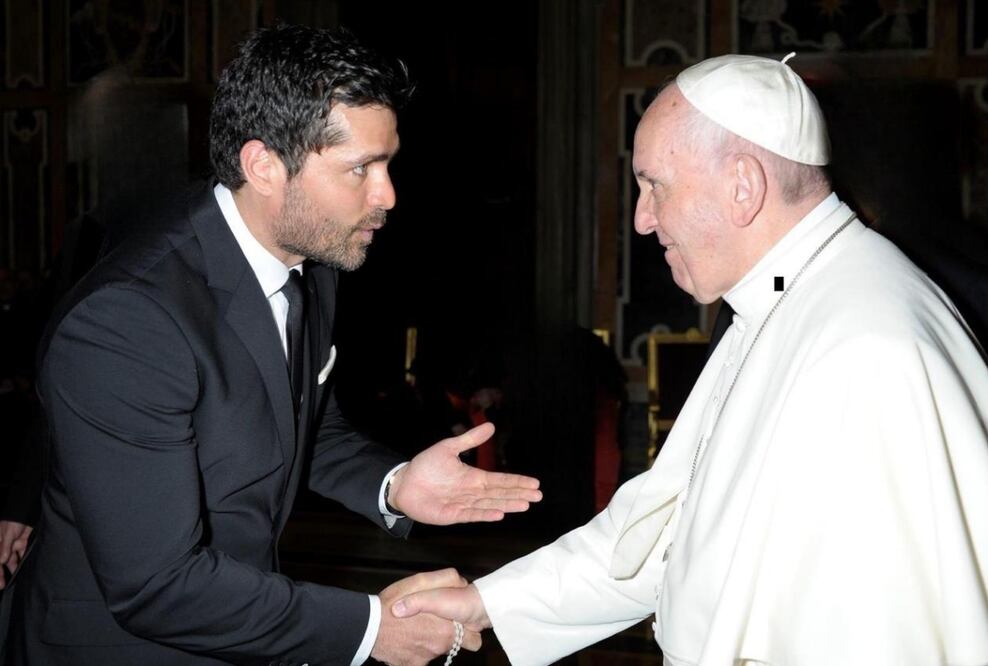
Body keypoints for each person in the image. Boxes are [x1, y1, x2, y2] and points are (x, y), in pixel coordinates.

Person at [391, 53, 988, 665]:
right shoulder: (781, 298)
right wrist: (488, 603)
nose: (642, 221)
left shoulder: (867, 350)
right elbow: (670, 536)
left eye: (654, 185)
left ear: (743, 186)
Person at [4, 24, 543, 666]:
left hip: (242, 625)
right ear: (263, 166)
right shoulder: (127, 324)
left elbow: (302, 426)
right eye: (360, 168)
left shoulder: (310, 263)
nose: (388, 195)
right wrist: (373, 629)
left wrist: (394, 485)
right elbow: (155, 588)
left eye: (388, 162)